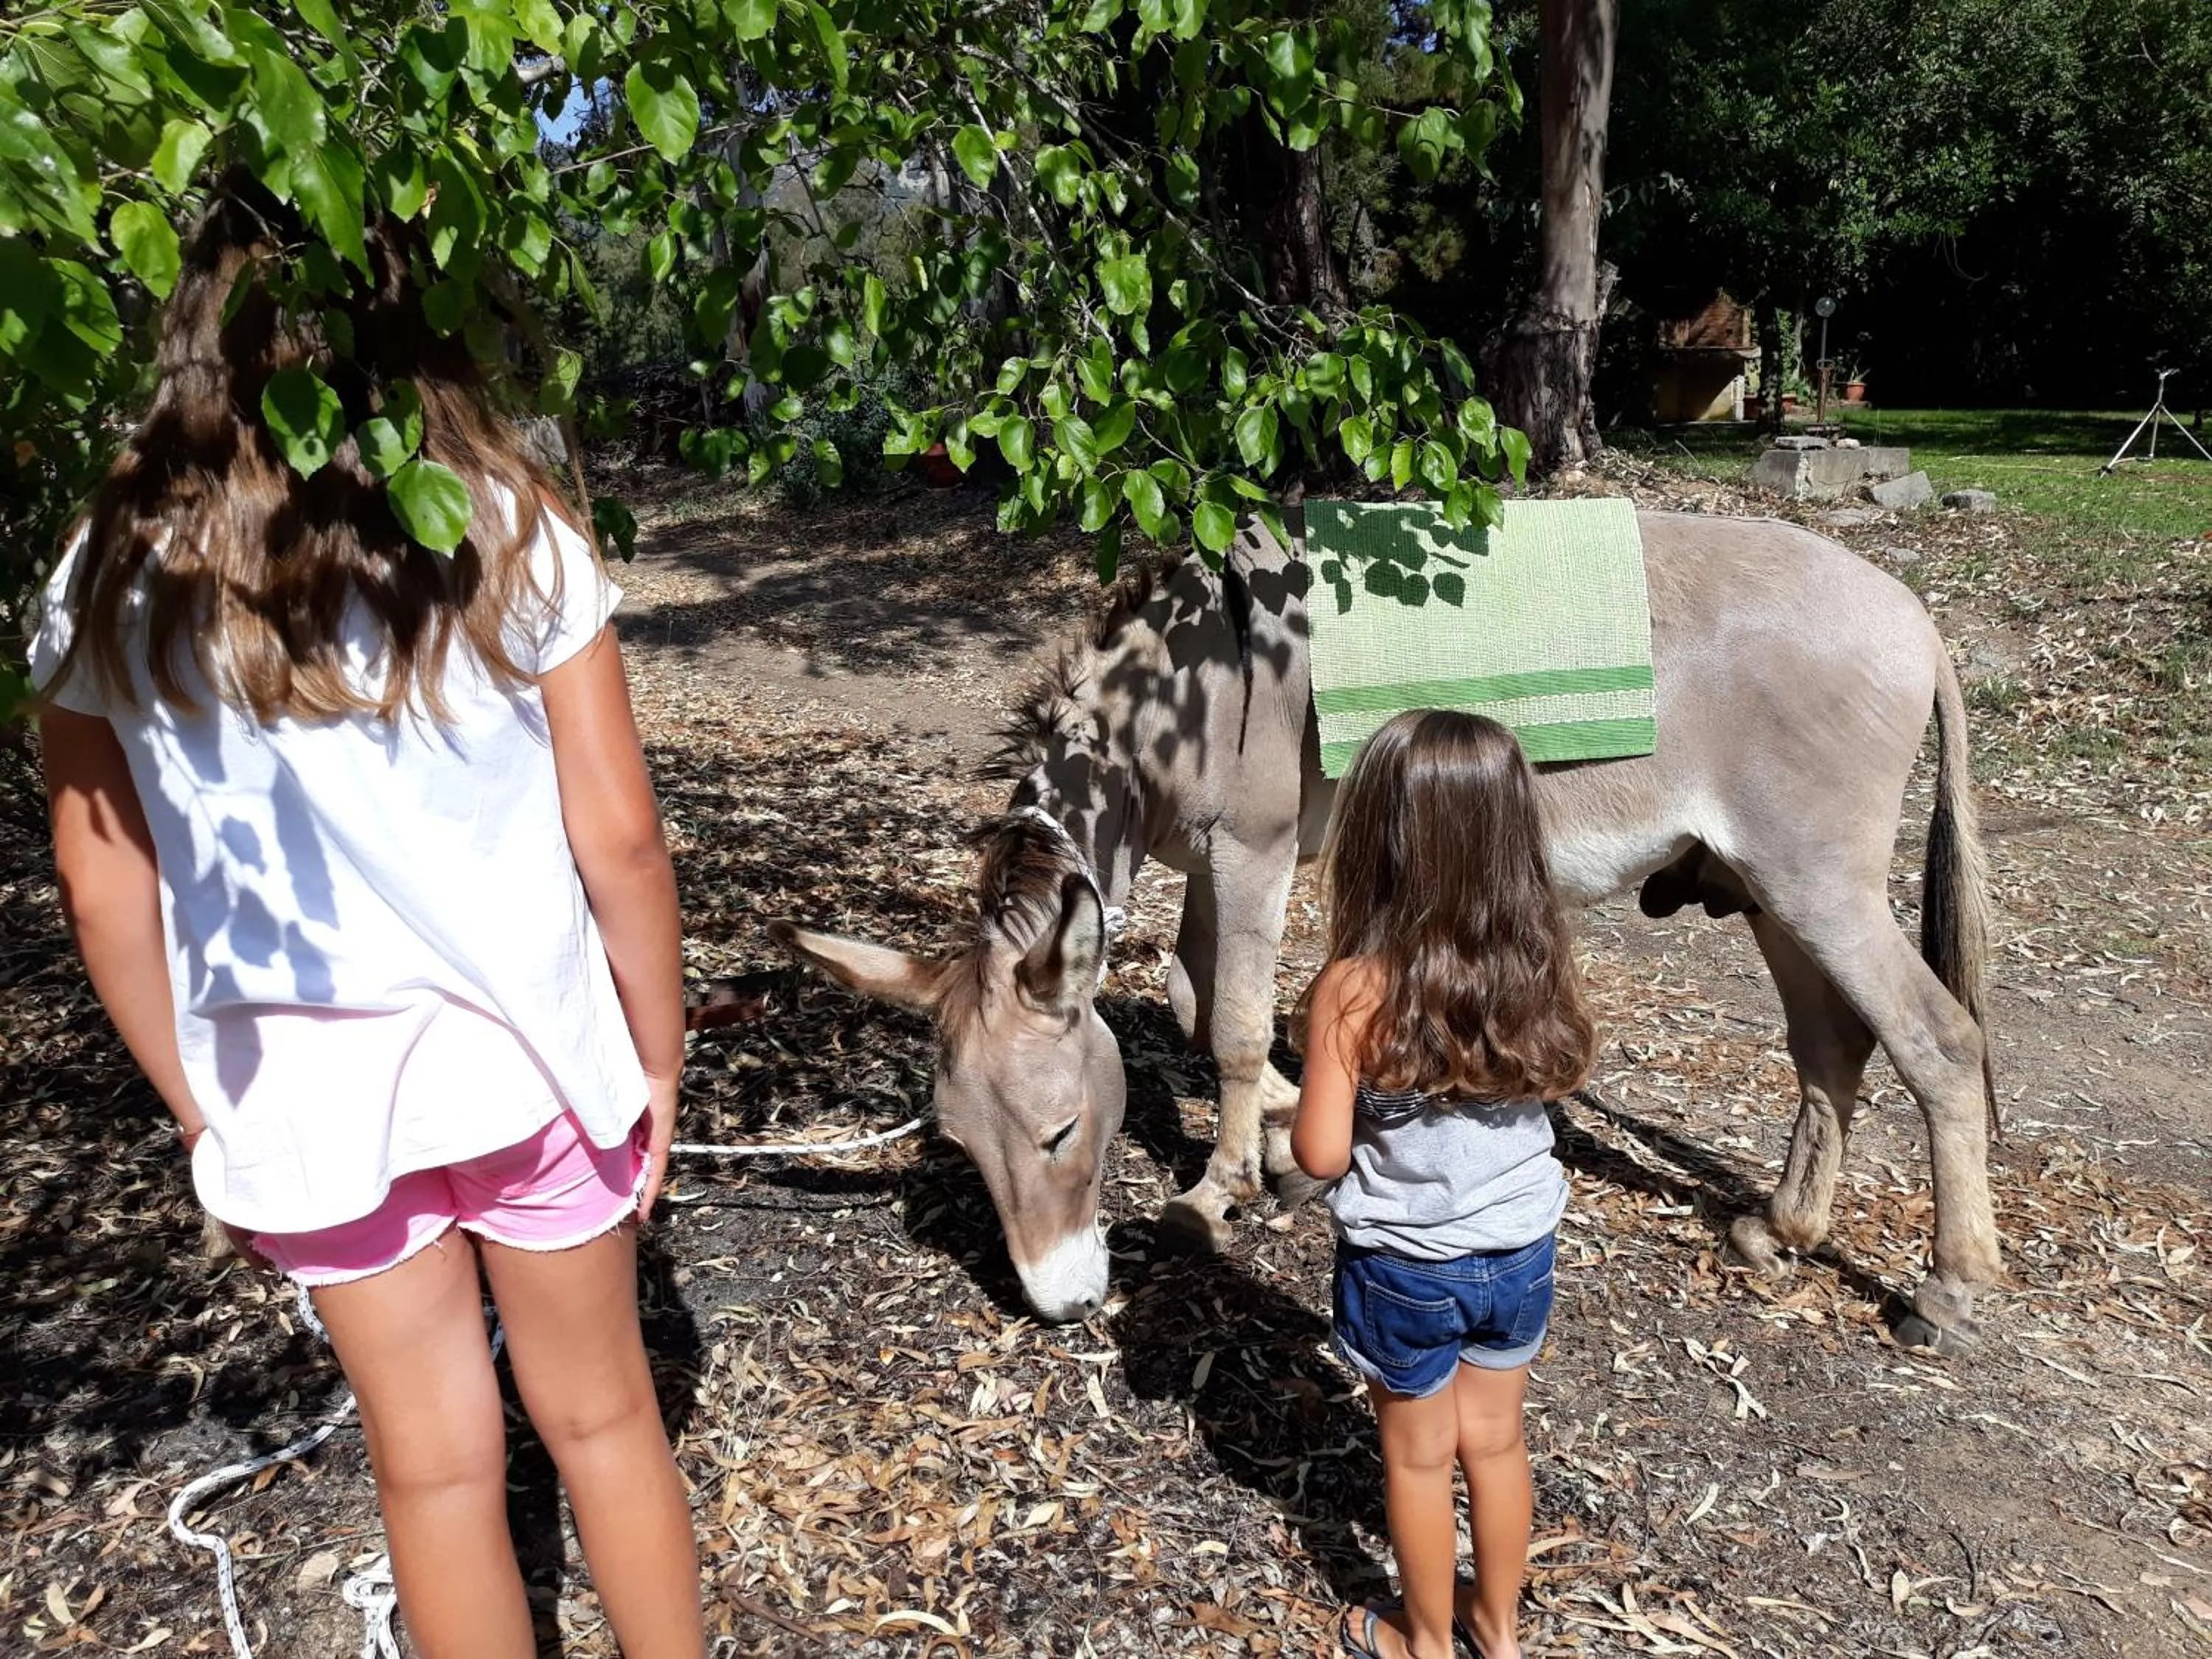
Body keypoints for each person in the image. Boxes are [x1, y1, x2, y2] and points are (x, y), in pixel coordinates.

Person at [30, 179, 706, 1659]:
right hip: (533, 1069)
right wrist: (655, 1057)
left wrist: (200, 1109)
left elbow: (99, 881)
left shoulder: (108, 568)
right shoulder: (507, 526)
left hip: (305, 1107)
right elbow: (623, 840)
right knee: (604, 1420)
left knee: (435, 1469)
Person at [1291, 709, 1597, 1659]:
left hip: (1406, 1266)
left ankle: (1424, 1642)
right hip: (1521, 1252)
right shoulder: (1534, 960)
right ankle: (1498, 1632)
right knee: (1497, 1442)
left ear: (1378, 840)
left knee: (1420, 1460)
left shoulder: (1355, 989)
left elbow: (1320, 1156)